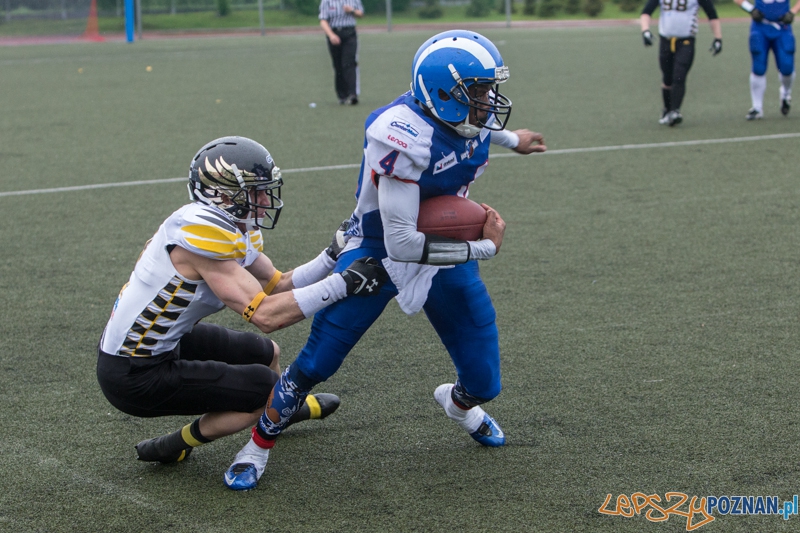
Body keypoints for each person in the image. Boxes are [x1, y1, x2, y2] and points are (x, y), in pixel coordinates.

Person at [223, 30, 547, 491]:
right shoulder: (401, 134)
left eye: (488, 89)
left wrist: (513, 139)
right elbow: (400, 244)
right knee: (317, 363)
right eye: (477, 92)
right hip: (376, 252)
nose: (488, 101)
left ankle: (456, 405)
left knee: (484, 379)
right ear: (442, 93)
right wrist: (484, 249)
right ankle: (257, 445)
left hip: (437, 252)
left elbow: (476, 132)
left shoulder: (465, 118)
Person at [96, 136, 387, 477]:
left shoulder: (222, 224)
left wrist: (331, 256)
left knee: (267, 353)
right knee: (262, 388)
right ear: (220, 195)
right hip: (134, 372)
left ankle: (280, 411)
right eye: (255, 192)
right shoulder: (202, 237)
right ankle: (175, 444)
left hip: (166, 342)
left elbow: (276, 284)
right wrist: (344, 284)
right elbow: (265, 314)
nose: (265, 200)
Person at [640, 0, 723, 126]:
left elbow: (712, 14)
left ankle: (675, 111)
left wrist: (718, 38)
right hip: (666, 41)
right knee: (667, 78)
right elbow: (646, 12)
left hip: (686, 41)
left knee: (679, 75)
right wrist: (645, 30)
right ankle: (667, 110)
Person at [734, 0, 800, 119]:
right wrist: (750, 9)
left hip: (782, 27)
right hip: (760, 27)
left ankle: (785, 94)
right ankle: (757, 107)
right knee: (758, 66)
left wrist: (793, 11)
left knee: (787, 66)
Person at [319, 0, 364, 105]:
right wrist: (331, 35)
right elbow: (323, 20)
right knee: (338, 65)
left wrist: (352, 10)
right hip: (334, 33)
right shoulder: (327, 1)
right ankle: (342, 95)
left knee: (349, 62)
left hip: (349, 33)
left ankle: (353, 94)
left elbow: (360, 14)